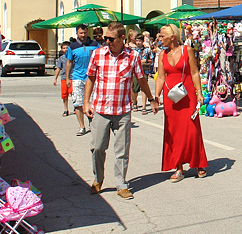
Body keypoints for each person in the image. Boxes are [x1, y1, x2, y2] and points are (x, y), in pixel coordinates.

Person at [84, 22, 158, 200]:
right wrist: (86, 103)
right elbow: (91, 79)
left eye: (111, 38)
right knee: (98, 148)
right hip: (101, 109)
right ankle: (98, 179)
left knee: (122, 150)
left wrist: (151, 99)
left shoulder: (132, 56)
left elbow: (141, 80)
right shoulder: (98, 54)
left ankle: (121, 184)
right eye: (105, 38)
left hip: (123, 110)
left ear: (121, 38)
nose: (106, 41)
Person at [154, 23, 208, 182]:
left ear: (172, 37)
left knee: (192, 129)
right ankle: (179, 168)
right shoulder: (161, 55)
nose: (159, 39)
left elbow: (194, 72)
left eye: (162, 36)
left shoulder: (187, 50)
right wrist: (156, 96)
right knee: (174, 132)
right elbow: (161, 77)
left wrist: (199, 92)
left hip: (188, 94)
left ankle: (198, 163)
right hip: (171, 97)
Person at [66, 25, 98, 135]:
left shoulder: (94, 45)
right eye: (80, 33)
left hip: (92, 77)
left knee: (93, 102)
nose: (83, 35)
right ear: (77, 34)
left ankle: (92, 123)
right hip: (77, 77)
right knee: (78, 103)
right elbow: (69, 62)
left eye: (84, 33)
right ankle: (82, 126)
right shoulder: (72, 47)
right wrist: (67, 78)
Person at [134, 33, 154, 112]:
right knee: (134, 89)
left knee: (144, 89)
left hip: (144, 71)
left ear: (142, 41)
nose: (138, 42)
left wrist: (145, 61)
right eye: (137, 41)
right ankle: (134, 101)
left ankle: (144, 106)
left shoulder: (147, 50)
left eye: (139, 41)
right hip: (135, 71)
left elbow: (151, 60)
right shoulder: (133, 51)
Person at [52, 42, 71, 116]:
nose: (65, 49)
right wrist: (55, 78)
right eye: (64, 48)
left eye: (67, 48)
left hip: (72, 77)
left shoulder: (73, 56)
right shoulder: (61, 58)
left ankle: (76, 108)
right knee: (64, 94)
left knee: (74, 93)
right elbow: (58, 68)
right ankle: (66, 109)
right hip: (64, 78)